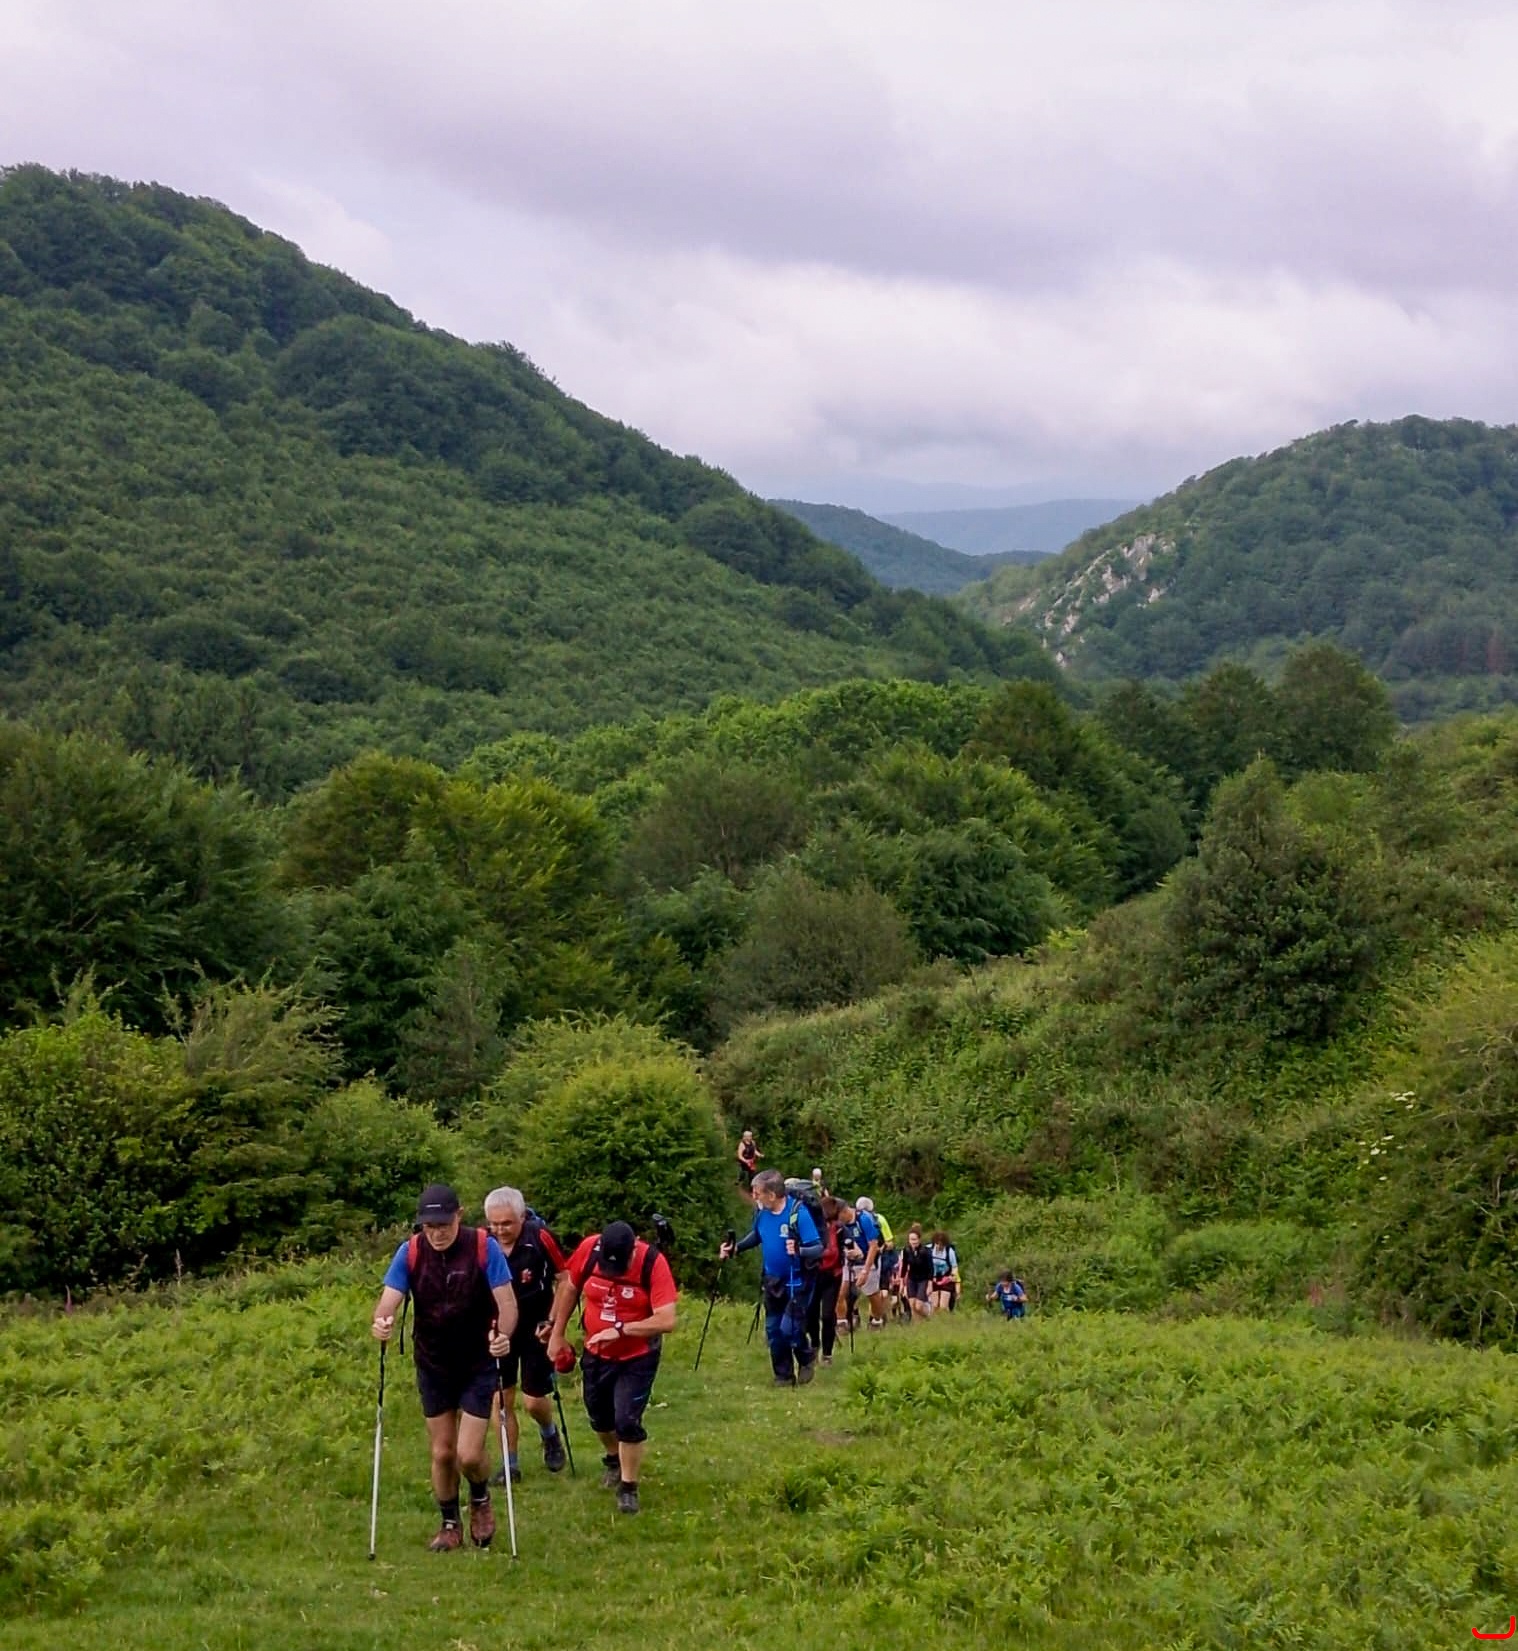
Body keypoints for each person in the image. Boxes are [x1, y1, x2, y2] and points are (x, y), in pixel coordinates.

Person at [371, 1184, 518, 1551]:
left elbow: (507, 1304)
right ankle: (449, 1524)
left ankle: (480, 1497)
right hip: (433, 1362)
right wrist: (383, 1321)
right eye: (429, 1226)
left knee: (469, 1454)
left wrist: (503, 1335)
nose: (436, 1233)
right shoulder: (410, 1252)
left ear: (459, 1216)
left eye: (443, 1224)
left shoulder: (483, 1247)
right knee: (442, 1452)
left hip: (478, 1361)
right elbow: (389, 1299)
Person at [547, 1220, 677, 1515]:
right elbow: (570, 1288)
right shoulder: (589, 1250)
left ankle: (629, 1487)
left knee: (627, 1420)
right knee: (599, 1417)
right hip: (596, 1351)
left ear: (634, 1248)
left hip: (637, 1355)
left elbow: (667, 1319)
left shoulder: (652, 1262)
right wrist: (557, 1334)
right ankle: (613, 1458)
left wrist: (621, 1330)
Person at [482, 1186, 568, 1483]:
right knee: (501, 1399)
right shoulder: (482, 1243)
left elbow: (565, 1279)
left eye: (507, 1223)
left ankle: (549, 1434)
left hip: (536, 1327)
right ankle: (510, 1465)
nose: (500, 1230)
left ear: (522, 1217)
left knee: (533, 1400)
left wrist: (553, 1321)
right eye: (494, 1223)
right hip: (499, 1329)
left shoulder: (540, 1237)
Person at [721, 1169, 822, 1385]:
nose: (754, 1196)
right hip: (773, 1280)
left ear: (772, 1195)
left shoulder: (798, 1213)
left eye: (757, 1193)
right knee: (774, 1330)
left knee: (789, 1328)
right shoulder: (762, 1213)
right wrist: (736, 1248)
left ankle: (806, 1357)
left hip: (798, 1280)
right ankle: (783, 1376)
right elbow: (757, 1235)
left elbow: (817, 1248)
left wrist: (799, 1250)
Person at [804, 1194, 845, 1365]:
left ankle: (827, 1354)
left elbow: (848, 1246)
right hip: (813, 1274)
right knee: (811, 1313)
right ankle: (815, 1344)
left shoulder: (839, 1229)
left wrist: (853, 1253)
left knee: (827, 1315)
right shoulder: (811, 1227)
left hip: (832, 1276)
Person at [852, 1196, 886, 1328]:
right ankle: (864, 1317)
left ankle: (875, 1317)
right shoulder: (856, 1220)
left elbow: (884, 1241)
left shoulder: (877, 1219)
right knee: (856, 1290)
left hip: (873, 1258)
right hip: (859, 1259)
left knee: (871, 1291)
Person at [899, 1226, 936, 1320]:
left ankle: (928, 1313)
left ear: (919, 1239)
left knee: (918, 1306)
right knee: (912, 1305)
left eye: (915, 1239)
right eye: (911, 1239)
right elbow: (904, 1267)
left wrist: (930, 1284)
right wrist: (902, 1283)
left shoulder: (926, 1251)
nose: (913, 1242)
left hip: (923, 1279)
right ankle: (919, 1325)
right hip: (912, 1279)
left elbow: (930, 1268)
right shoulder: (906, 1250)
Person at [928, 1230, 961, 1313]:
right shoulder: (928, 1249)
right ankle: (934, 1320)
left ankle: (946, 1318)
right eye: (937, 1244)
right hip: (933, 1278)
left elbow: (954, 1267)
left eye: (941, 1245)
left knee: (943, 1306)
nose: (939, 1246)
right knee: (934, 1305)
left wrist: (952, 1277)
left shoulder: (950, 1252)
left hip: (946, 1279)